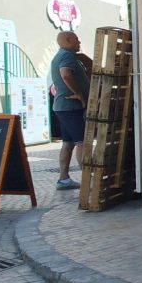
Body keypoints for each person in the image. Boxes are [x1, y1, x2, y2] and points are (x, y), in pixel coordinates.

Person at [50, 31, 90, 189]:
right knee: (82, 142)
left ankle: (64, 179)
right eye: (76, 39)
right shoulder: (67, 55)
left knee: (68, 143)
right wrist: (78, 93)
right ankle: (88, 181)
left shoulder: (62, 55)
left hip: (63, 107)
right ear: (68, 40)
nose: (79, 42)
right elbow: (65, 74)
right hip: (70, 107)